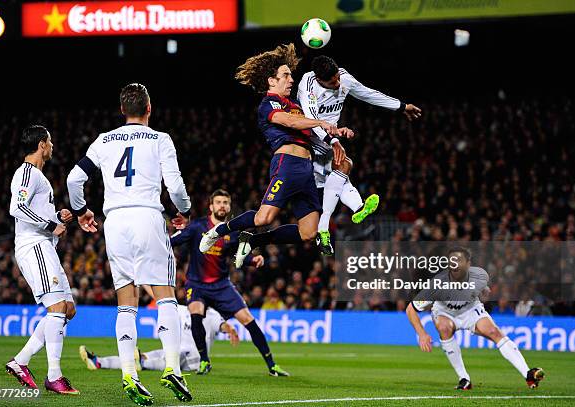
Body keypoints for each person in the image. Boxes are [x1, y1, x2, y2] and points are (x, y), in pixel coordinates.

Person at [66, 83, 192, 405]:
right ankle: (172, 369)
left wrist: (81, 211)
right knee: (165, 296)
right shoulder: (160, 139)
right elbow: (175, 185)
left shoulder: (104, 141)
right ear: (149, 108)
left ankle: (128, 374)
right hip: (147, 216)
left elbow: (73, 179)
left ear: (123, 110)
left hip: (115, 222)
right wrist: (183, 212)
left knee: (126, 300)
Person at [199, 43, 352, 269]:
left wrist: (335, 135)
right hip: (287, 165)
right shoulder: (268, 103)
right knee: (263, 219)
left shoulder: (296, 105)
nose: (291, 80)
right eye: (286, 75)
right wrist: (320, 121)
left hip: (306, 170)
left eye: (291, 76)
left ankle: (254, 240)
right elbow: (289, 121)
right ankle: (218, 230)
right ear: (272, 81)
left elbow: (309, 129)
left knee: (309, 232)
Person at [297, 55, 422, 255]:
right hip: (309, 137)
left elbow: (368, 94)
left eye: (337, 77)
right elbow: (311, 120)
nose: (337, 83)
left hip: (331, 136)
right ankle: (334, 221)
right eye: (332, 82)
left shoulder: (344, 78)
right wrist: (334, 141)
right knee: (344, 165)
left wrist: (401, 106)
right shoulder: (308, 84)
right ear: (320, 80)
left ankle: (353, 209)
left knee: (337, 177)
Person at [173, 189, 289, 376]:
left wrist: (253, 260)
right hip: (197, 284)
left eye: (225, 203)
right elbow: (174, 241)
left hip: (221, 285)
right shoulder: (197, 227)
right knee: (196, 314)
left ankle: (272, 365)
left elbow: (237, 256)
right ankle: (204, 361)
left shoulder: (232, 232)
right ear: (211, 206)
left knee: (249, 321)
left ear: (229, 206)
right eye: (218, 202)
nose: (222, 206)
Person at [406, 247, 544, 390]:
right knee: (443, 327)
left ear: (468, 264)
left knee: (493, 332)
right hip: (444, 313)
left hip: (470, 310)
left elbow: (485, 290)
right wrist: (422, 334)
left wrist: (485, 292)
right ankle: (464, 379)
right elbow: (411, 309)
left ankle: (528, 374)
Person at [6, 125, 79, 395]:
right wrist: (50, 225)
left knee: (68, 308)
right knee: (58, 306)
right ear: (41, 145)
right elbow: (17, 207)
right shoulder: (27, 173)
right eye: (49, 141)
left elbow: (37, 214)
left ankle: (21, 361)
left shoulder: (38, 176)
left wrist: (57, 219)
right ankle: (54, 376)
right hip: (33, 245)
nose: (52, 146)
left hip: (44, 246)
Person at [79, 305, 239, 373]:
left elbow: (223, 326)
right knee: (153, 355)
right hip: (183, 352)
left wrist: (231, 330)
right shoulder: (189, 310)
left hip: (192, 358)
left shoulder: (209, 314)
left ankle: (142, 363)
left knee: (164, 358)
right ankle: (99, 361)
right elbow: (224, 326)